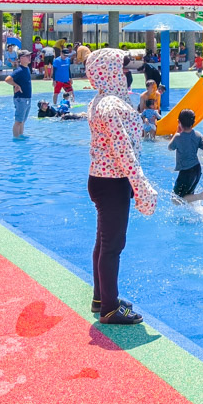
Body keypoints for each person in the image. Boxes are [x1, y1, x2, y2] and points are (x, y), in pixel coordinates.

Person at [86, 48, 157, 324]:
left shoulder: (102, 100)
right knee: (112, 245)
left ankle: (102, 297)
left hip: (102, 178)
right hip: (113, 180)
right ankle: (110, 308)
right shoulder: (112, 106)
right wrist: (140, 185)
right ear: (110, 72)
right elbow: (122, 150)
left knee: (104, 242)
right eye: (121, 68)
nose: (127, 73)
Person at [7, 50, 33, 138]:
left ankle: (21, 136)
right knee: (18, 121)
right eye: (27, 56)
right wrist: (16, 85)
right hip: (21, 98)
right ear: (21, 58)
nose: (30, 58)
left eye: (30, 56)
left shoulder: (27, 68)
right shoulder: (19, 70)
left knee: (22, 121)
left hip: (27, 98)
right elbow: (7, 79)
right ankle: (16, 138)